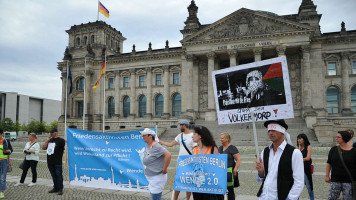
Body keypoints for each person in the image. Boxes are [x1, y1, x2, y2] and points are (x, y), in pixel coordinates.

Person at [255, 119, 304, 200]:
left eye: (274, 129)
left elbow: (299, 181)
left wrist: (290, 198)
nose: (270, 133)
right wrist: (261, 171)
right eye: (269, 130)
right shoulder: (265, 151)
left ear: (282, 131)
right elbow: (263, 176)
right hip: (264, 196)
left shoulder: (294, 153)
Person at [159, 120, 196, 200]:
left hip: (190, 163)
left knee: (188, 182)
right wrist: (160, 141)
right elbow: (171, 144)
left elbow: (195, 150)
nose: (179, 127)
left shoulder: (193, 136)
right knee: (178, 181)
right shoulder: (180, 136)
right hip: (181, 163)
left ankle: (188, 199)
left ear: (184, 126)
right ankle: (174, 198)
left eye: (180, 125)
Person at [191, 125, 222, 200]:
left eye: (194, 134)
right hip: (197, 185)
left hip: (210, 185)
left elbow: (219, 169)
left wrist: (222, 186)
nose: (192, 136)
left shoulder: (213, 149)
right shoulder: (194, 149)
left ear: (200, 136)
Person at [141, 128, 171, 200]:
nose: (142, 137)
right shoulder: (150, 145)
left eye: (144, 135)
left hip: (157, 177)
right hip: (152, 177)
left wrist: (164, 169)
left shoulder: (156, 145)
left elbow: (168, 155)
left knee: (155, 198)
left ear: (150, 136)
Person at [325, 131, 356, 200]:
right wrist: (327, 176)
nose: (336, 138)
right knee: (332, 198)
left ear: (344, 139)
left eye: (338, 137)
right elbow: (329, 163)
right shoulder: (333, 150)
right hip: (335, 180)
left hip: (348, 181)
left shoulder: (354, 152)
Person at [42, 128, 65, 195]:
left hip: (57, 161)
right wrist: (46, 141)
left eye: (52, 132)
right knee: (53, 175)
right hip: (50, 161)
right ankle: (55, 187)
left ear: (56, 133)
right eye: (50, 132)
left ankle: (60, 189)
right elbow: (43, 148)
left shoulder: (61, 140)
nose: (51, 134)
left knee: (58, 175)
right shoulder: (50, 140)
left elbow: (64, 148)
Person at [218, 133, 240, 200]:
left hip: (229, 172)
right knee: (221, 190)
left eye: (222, 138)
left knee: (230, 191)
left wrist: (235, 170)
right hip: (221, 172)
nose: (220, 139)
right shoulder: (220, 147)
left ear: (227, 139)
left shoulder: (232, 148)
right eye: (220, 138)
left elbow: (238, 159)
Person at [297, 133, 314, 200]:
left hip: (306, 169)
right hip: (298, 169)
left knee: (308, 185)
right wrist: (299, 147)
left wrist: (300, 159)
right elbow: (296, 156)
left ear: (304, 139)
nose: (299, 140)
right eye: (298, 138)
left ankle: (312, 198)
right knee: (297, 185)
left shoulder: (308, 147)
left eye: (300, 138)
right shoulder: (298, 148)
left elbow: (308, 158)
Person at [0, 129, 13, 199]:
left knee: (2, 177)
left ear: (1, 134)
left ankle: (1, 191)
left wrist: (8, 151)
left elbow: (11, 150)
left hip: (4, 161)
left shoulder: (6, 141)